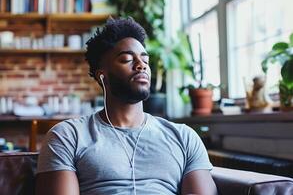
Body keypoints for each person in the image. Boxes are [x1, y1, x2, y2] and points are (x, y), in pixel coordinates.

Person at [36, 17, 217, 195]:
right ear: (102, 75)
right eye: (127, 59)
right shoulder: (67, 136)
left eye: (145, 60)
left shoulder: (184, 137)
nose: (141, 66)